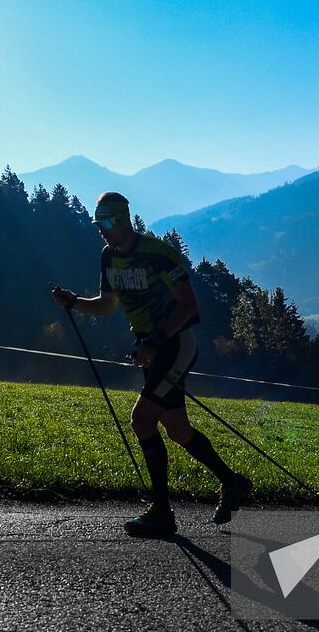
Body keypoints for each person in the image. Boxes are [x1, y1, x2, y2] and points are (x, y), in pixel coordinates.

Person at [52, 191, 251, 537]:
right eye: (98, 224)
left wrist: (156, 341)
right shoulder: (108, 257)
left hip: (175, 344)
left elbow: (188, 305)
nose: (102, 230)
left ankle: (161, 512)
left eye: (107, 223)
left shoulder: (158, 254)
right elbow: (108, 305)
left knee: (142, 420)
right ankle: (232, 482)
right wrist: (75, 303)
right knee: (176, 429)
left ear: (124, 220)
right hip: (150, 347)